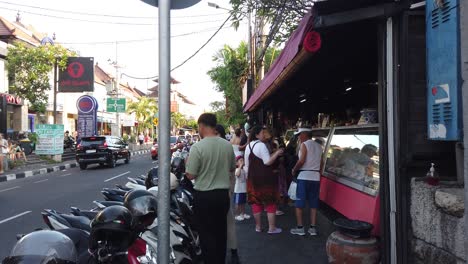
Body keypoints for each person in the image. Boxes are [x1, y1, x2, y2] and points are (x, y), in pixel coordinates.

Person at [186, 113, 236, 264]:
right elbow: (232, 168)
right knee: (221, 233)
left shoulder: (197, 147)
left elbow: (190, 175)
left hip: (204, 197)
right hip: (222, 196)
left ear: (201, 126)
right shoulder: (227, 145)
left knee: (206, 236)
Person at [244, 126, 283, 234]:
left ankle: (258, 227)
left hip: (253, 179)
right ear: (257, 135)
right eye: (262, 133)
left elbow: (247, 165)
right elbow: (267, 162)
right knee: (270, 202)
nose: (264, 134)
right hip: (266, 179)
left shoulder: (249, 146)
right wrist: (277, 153)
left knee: (256, 202)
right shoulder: (261, 145)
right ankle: (271, 228)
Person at [290, 128, 323, 236]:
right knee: (313, 203)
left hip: (304, 176)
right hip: (316, 177)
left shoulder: (304, 144)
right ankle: (312, 228)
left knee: (299, 203)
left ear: (304, 134)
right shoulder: (319, 146)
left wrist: (294, 169)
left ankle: (300, 227)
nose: (299, 137)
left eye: (299, 134)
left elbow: (302, 160)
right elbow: (322, 163)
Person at [234, 156, 249, 221]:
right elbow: (237, 174)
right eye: (240, 160)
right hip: (238, 190)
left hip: (243, 189)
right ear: (236, 163)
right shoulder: (237, 169)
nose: (242, 162)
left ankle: (242, 214)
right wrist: (240, 166)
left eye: (243, 160)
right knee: (238, 203)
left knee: (243, 202)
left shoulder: (243, 170)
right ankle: (236, 215)